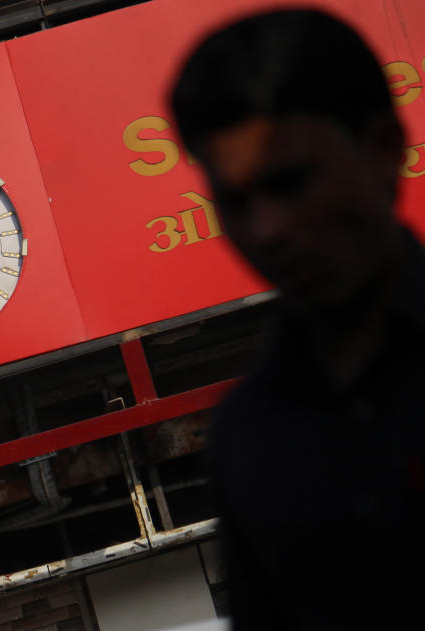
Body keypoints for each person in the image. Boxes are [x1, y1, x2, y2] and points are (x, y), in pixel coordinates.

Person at [170, 9, 425, 630]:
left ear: (383, 147)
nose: (268, 230)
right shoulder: (248, 438)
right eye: (235, 203)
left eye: (289, 184)